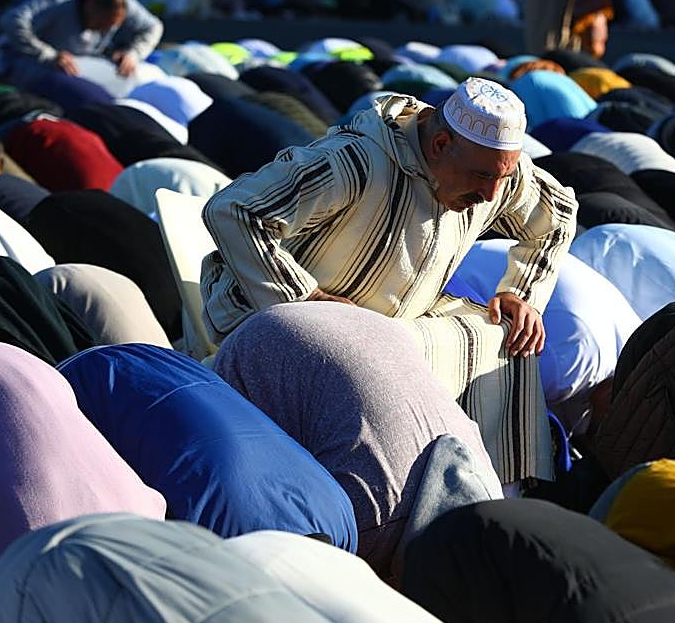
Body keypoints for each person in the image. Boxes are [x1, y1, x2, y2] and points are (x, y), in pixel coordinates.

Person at [200, 78, 578, 488]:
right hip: (285, 328)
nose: (492, 195)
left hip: (388, 331)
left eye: (502, 178)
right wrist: (303, 299)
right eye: (482, 177)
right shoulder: (356, 162)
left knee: (508, 338)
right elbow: (235, 209)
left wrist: (520, 292)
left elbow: (557, 215)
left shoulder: (497, 171)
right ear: (440, 145)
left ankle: (489, 494)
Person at [0, 0, 163, 87]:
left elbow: (154, 26)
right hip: (27, 62)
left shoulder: (120, 1)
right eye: (101, 24)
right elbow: (12, 20)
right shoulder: (60, 1)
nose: (103, 31)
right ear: (90, 6)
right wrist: (48, 54)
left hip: (78, 65)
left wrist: (134, 53)